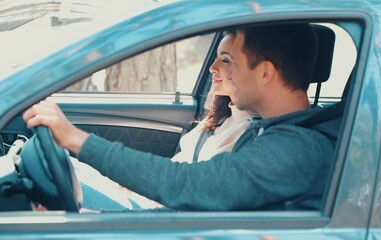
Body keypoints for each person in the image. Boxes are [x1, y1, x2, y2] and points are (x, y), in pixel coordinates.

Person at [23, 23, 339, 211]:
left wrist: (78, 140)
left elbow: (186, 185)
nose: (223, 72)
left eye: (233, 64)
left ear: (266, 72)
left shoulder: (295, 150)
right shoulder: (275, 133)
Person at [173, 30, 252, 163]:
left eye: (225, 60)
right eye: (216, 58)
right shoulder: (220, 119)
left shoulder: (250, 133)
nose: (212, 68)